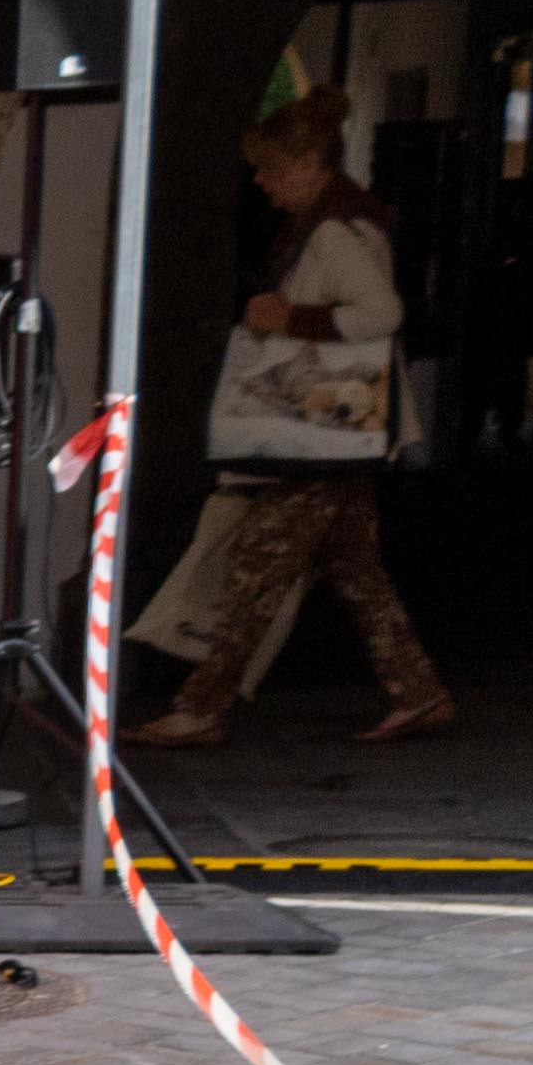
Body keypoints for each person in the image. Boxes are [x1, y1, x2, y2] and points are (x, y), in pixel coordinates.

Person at [147, 93, 452, 748]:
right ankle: (417, 691)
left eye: (271, 168)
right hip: (338, 427)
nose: (261, 181)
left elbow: (380, 314)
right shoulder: (338, 220)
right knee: (355, 568)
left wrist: (292, 319)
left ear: (311, 162)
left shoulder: (337, 231)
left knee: (258, 565)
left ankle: (202, 705)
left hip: (321, 429)